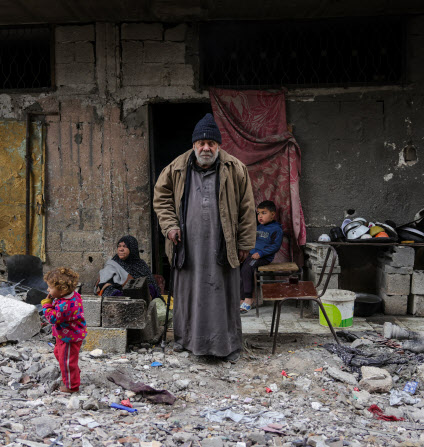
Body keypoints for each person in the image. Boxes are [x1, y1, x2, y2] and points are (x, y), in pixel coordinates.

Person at [153, 113, 256, 362]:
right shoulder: (176, 168)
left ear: (219, 146)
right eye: (202, 143)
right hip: (188, 246)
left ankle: (227, 345)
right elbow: (161, 198)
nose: (206, 148)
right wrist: (170, 226)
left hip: (223, 245)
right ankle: (187, 341)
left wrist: (244, 243)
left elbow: (247, 208)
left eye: (211, 143)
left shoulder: (236, 168)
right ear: (194, 145)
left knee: (223, 295)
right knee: (189, 293)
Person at [41, 267, 86, 393]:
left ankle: (72, 386)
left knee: (67, 361)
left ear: (62, 290)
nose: (48, 290)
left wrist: (46, 305)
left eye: (50, 287)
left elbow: (52, 318)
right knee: (59, 355)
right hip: (65, 335)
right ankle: (73, 373)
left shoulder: (65, 305)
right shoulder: (72, 296)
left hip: (70, 338)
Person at [239, 200, 284, 313]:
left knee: (247, 268)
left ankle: (249, 299)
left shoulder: (276, 229)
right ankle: (241, 299)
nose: (260, 216)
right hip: (252, 255)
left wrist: (261, 253)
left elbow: (275, 246)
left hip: (264, 257)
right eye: (258, 213)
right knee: (240, 269)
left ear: (273, 214)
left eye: (264, 213)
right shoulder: (258, 227)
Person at [95, 235, 161, 298]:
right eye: (119, 246)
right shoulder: (112, 265)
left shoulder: (140, 265)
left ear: (132, 249)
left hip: (139, 297)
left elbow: (151, 285)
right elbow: (103, 285)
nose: (121, 249)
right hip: (120, 298)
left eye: (124, 246)